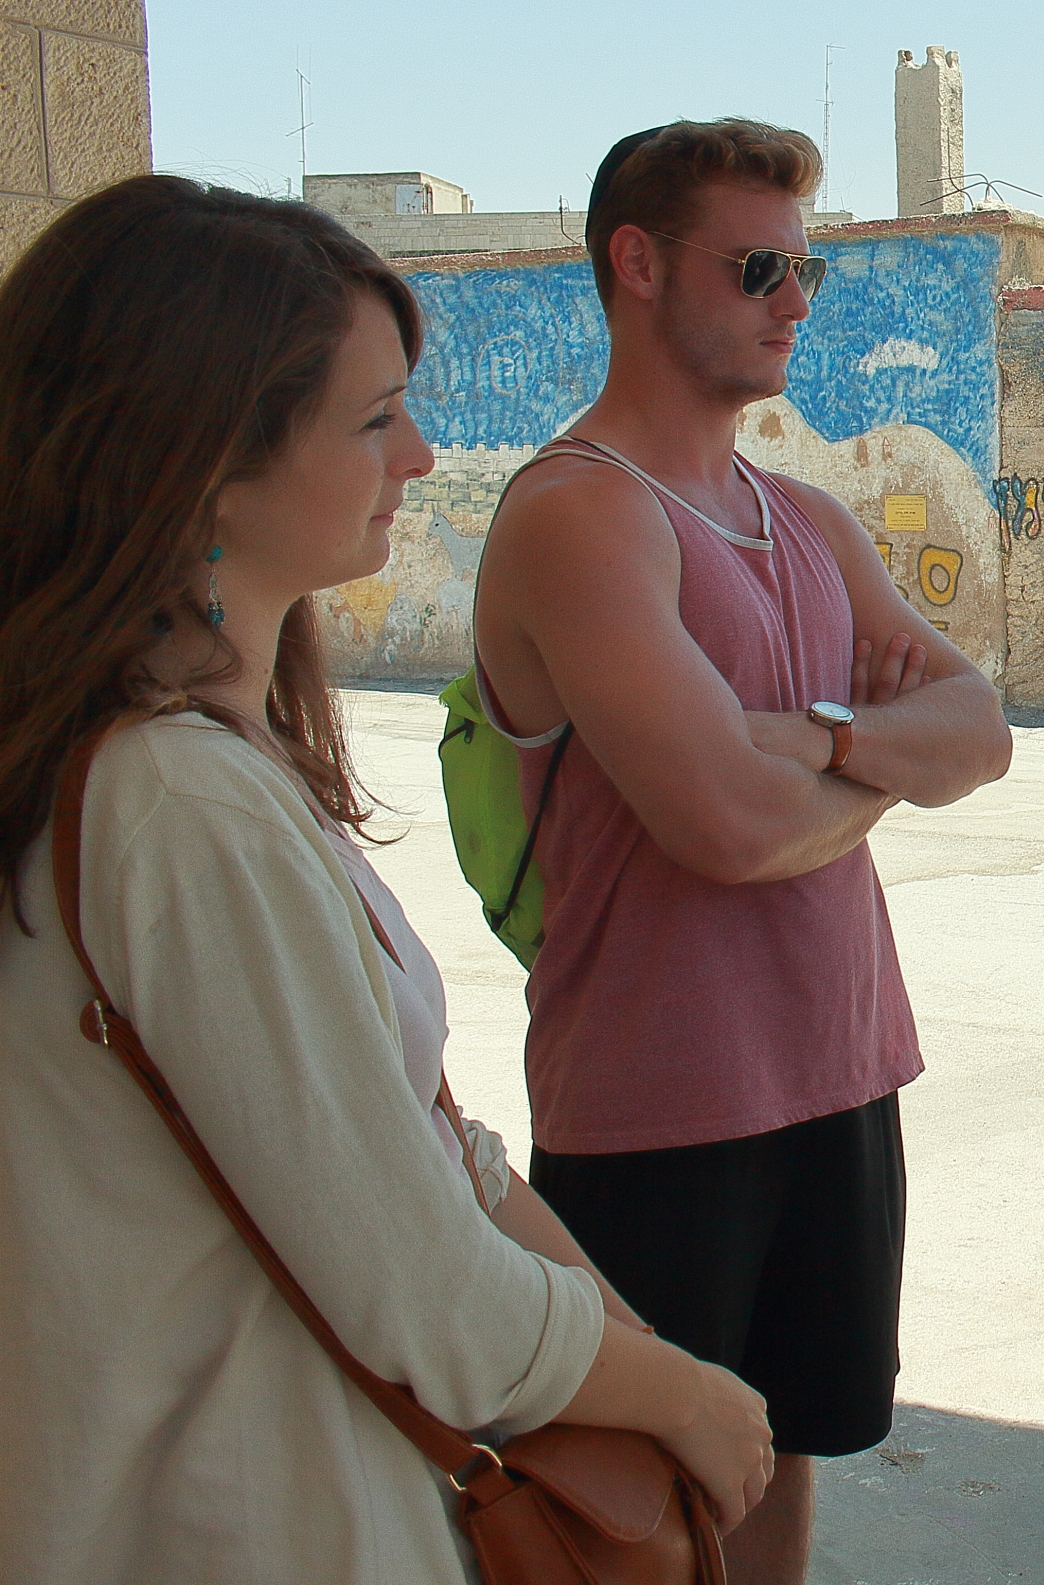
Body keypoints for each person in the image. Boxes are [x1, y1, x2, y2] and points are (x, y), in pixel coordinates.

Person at [0, 177, 774, 1585]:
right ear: (199, 466)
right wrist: (684, 1398)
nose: (419, 453)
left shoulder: (202, 771)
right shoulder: (179, 807)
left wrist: (636, 1350)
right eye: (372, 419)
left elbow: (424, 1141)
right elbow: (422, 1288)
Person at [471, 119, 1013, 1585]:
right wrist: (869, 758)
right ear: (636, 265)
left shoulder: (812, 521)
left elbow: (982, 729)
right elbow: (719, 825)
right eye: (761, 264)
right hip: (656, 1099)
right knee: (640, 1505)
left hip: (838, 1066)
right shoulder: (580, 516)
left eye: (809, 269)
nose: (796, 300)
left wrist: (813, 741)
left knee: (784, 1460)